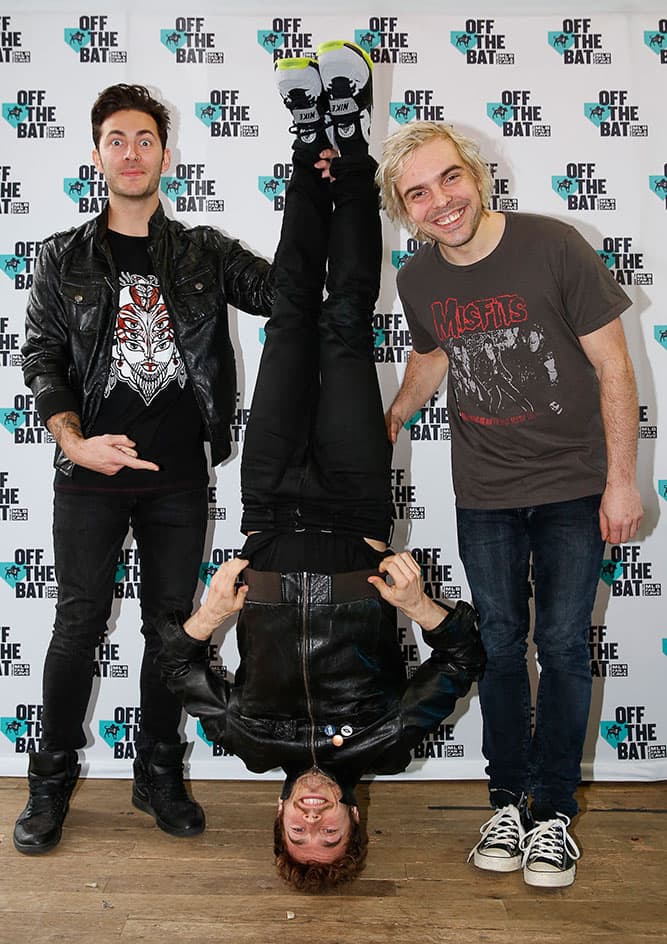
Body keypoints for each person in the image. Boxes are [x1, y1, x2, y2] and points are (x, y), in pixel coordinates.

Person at [157, 43, 486, 892]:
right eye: (328, 831)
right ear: (351, 822)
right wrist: (422, 606)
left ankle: (310, 146)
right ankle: (355, 143)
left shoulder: (248, 741)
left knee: (291, 317)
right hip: (349, 505)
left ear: (276, 820)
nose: (312, 816)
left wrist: (202, 623)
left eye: (299, 831)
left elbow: (177, 671)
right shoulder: (389, 740)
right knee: (344, 321)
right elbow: (462, 661)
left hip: (266, 505)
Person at [376, 121, 644, 888]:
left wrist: (622, 480)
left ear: (475, 175)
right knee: (498, 644)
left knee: (560, 646)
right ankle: (506, 801)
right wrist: (395, 414)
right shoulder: (418, 278)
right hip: (484, 493)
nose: (440, 201)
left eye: (448, 179)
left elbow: (613, 367)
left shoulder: (553, 245)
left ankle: (552, 812)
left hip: (571, 488)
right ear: (405, 210)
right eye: (417, 193)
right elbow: (431, 355)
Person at [14, 84, 275, 855]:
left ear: (167, 153)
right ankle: (51, 779)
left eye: (145, 139)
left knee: (172, 630)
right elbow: (41, 357)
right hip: (90, 476)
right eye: (117, 140)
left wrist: (324, 186)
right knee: (76, 627)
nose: (132, 153)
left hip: (177, 479)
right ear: (96, 154)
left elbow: (283, 292)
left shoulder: (204, 251)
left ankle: (158, 771)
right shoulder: (62, 257)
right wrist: (72, 441)